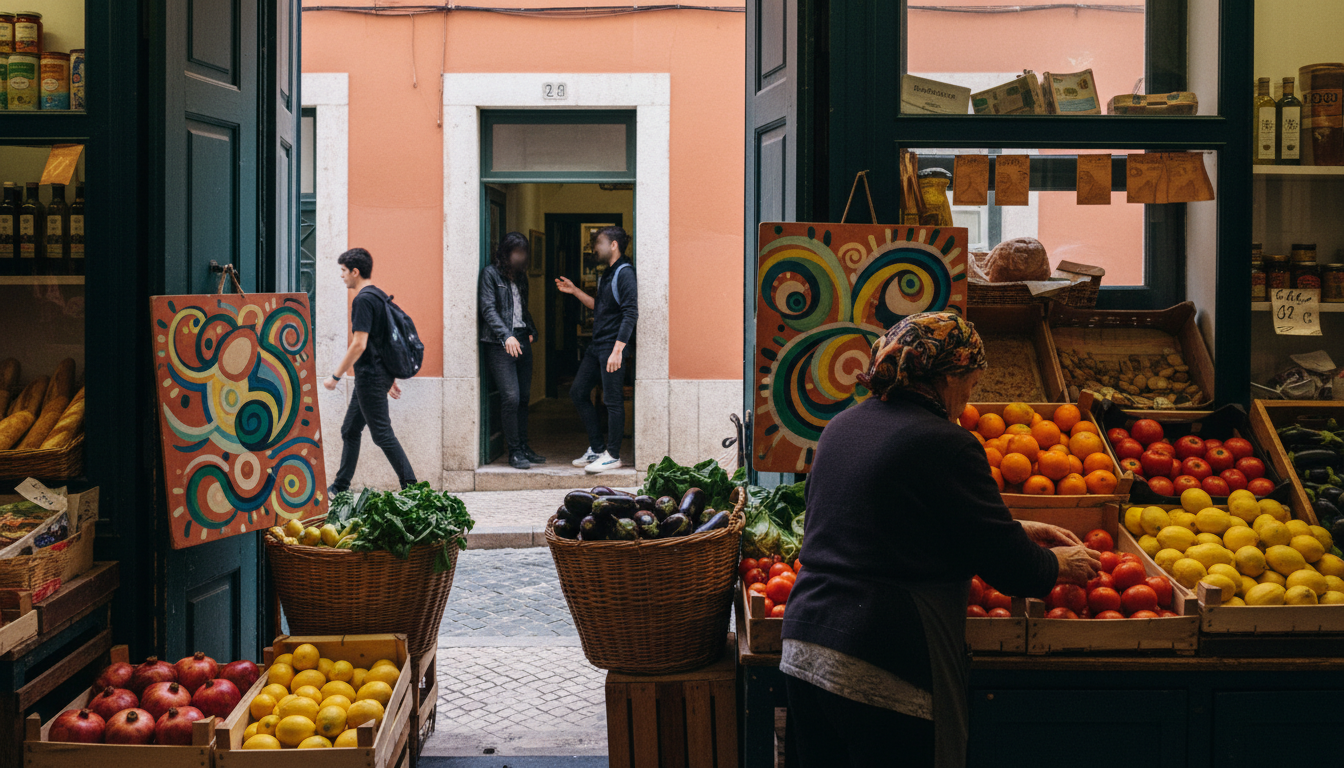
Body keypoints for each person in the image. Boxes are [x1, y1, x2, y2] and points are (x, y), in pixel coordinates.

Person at [781, 312, 1100, 768]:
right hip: (884, 655)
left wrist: (1015, 527)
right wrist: (1060, 564)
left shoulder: (841, 427)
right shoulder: (948, 443)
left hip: (805, 644)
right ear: (949, 376)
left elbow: (878, 520)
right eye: (972, 379)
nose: (973, 393)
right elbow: (1013, 570)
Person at [322, 247, 418, 494]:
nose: (341, 276)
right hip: (375, 375)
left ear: (355, 271)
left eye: (343, 271)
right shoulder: (378, 295)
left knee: (382, 434)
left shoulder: (363, 300)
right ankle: (340, 486)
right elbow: (383, 342)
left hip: (369, 376)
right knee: (350, 430)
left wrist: (335, 376)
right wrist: (388, 378)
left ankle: (412, 487)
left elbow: (360, 344)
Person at [556, 226, 638, 474]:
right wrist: (575, 291)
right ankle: (596, 448)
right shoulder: (608, 273)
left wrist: (618, 351)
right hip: (597, 345)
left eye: (599, 243)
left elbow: (631, 313)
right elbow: (600, 307)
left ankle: (613, 455)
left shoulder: (625, 273)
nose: (595, 249)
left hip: (612, 346)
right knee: (578, 392)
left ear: (614, 245)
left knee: (612, 400)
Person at [479, 231, 545, 470]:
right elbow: (488, 309)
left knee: (524, 398)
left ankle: (524, 447)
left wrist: (531, 330)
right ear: (505, 253)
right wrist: (505, 335)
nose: (521, 257)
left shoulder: (521, 277)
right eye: (517, 252)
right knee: (511, 397)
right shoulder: (490, 274)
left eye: (524, 252)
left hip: (522, 339)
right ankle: (514, 452)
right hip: (499, 343)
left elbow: (522, 310)